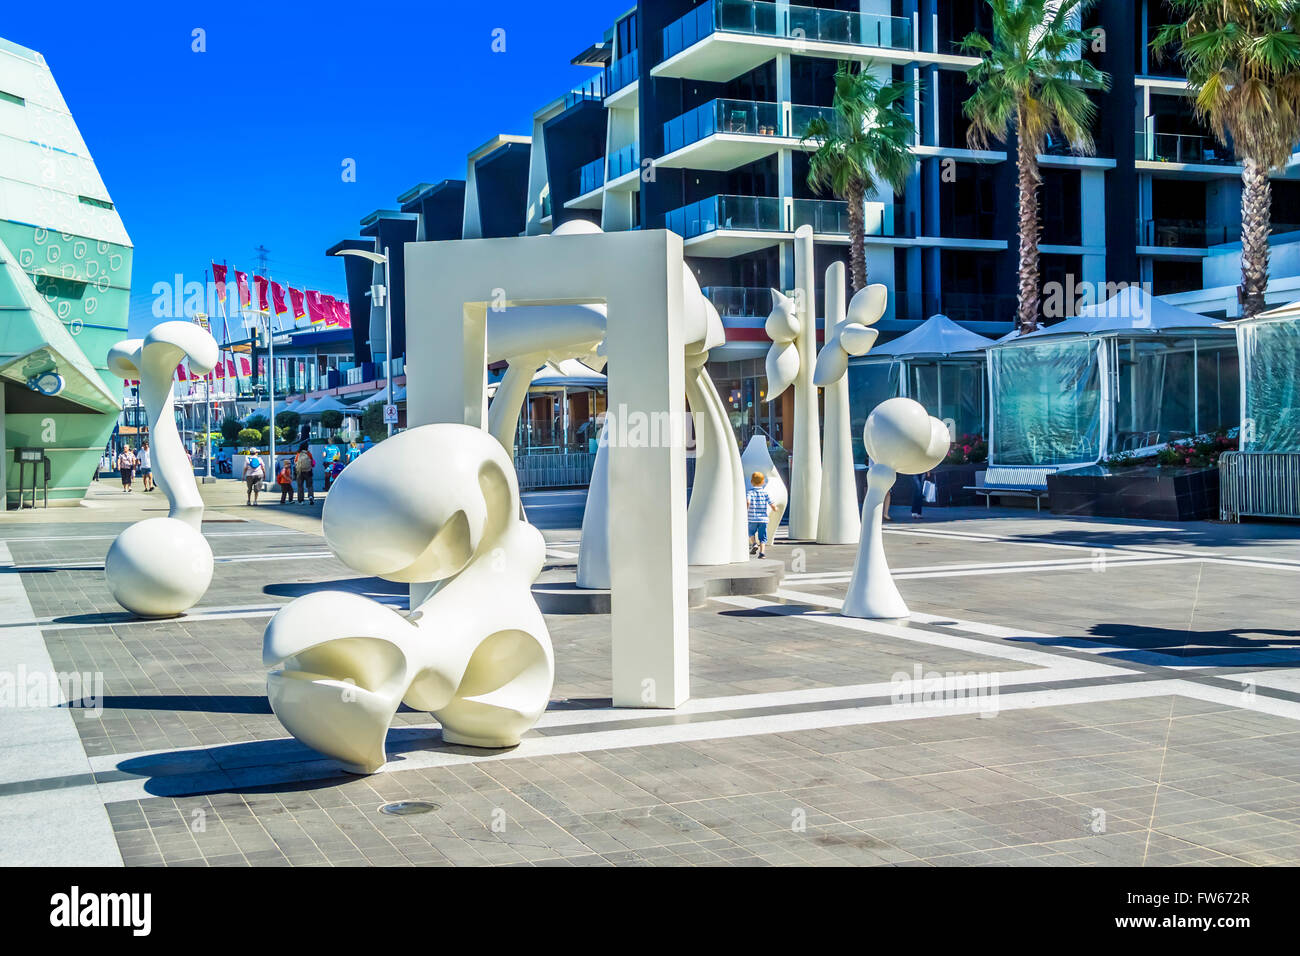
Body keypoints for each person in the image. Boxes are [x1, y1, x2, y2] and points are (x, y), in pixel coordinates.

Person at [746, 470, 776, 559]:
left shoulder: (750, 492)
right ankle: (762, 553)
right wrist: (775, 508)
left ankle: (754, 544)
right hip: (763, 519)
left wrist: (746, 509)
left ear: (751, 482)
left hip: (752, 518)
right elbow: (771, 503)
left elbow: (748, 502)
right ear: (763, 482)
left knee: (750, 533)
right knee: (763, 537)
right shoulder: (765, 493)